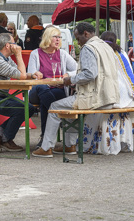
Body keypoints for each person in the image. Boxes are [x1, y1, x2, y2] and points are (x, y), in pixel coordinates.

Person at [32, 22, 119, 158]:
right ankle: (69, 145)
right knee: (70, 106)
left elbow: (90, 74)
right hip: (108, 96)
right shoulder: (105, 46)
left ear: (85, 34)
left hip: (92, 97)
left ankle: (46, 147)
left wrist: (70, 80)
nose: (78, 43)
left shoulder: (88, 48)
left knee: (54, 107)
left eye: (78, 38)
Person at [0, 33, 41, 152]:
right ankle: (5, 140)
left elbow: (19, 73)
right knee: (22, 109)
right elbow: (21, 76)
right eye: (15, 44)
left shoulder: (4, 58)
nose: (17, 46)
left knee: (28, 108)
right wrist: (19, 54)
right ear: (8, 46)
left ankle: (0, 133)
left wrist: (32, 75)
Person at [83, 31, 134, 154]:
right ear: (115, 41)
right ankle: (122, 142)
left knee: (94, 108)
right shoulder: (122, 53)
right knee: (120, 112)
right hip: (130, 94)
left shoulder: (100, 51)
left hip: (113, 93)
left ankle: (100, 144)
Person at [27, 27, 77, 149]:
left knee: (46, 102)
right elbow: (31, 72)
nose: (58, 39)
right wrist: (35, 74)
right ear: (47, 38)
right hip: (37, 90)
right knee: (43, 88)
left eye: (59, 37)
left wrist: (68, 75)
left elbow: (77, 68)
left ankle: (46, 139)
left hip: (56, 90)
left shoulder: (62, 54)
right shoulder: (35, 53)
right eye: (55, 37)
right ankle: (56, 119)